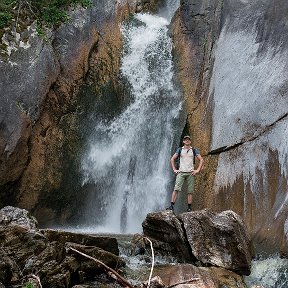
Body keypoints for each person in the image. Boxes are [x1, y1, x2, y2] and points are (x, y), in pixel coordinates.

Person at [167, 135, 204, 212]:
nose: (187, 140)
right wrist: (174, 169)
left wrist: (197, 170)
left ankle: (189, 207)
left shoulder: (194, 150)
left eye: (188, 139)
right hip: (181, 172)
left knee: (190, 191)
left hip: (191, 173)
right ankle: (171, 206)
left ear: (190, 141)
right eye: (185, 139)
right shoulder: (180, 149)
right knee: (176, 189)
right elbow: (172, 159)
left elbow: (201, 160)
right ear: (183, 141)